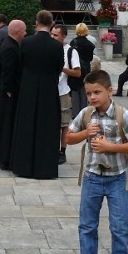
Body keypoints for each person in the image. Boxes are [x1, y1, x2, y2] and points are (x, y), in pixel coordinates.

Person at [66, 69, 128, 254]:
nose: (92, 98)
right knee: (87, 224)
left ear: (110, 91)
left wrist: (110, 147)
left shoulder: (122, 115)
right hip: (92, 177)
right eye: (89, 93)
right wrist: (85, 134)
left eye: (97, 92)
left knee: (120, 225)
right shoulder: (86, 114)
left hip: (116, 178)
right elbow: (68, 138)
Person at [11, 10, 66, 180]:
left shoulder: (26, 43)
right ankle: (45, 167)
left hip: (28, 88)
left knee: (26, 126)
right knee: (47, 127)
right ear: (51, 24)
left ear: (36, 23)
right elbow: (59, 68)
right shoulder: (57, 46)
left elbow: (20, 64)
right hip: (49, 90)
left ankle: (24, 166)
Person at [0, 20, 25, 170]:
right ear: (17, 32)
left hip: (4, 92)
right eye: (24, 31)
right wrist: (10, 89)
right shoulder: (10, 47)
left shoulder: (8, 44)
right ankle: (4, 158)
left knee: (5, 124)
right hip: (7, 94)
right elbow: (8, 71)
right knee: (6, 125)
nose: (25, 33)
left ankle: (4, 156)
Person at [51, 24, 75, 164]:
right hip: (49, 91)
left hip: (63, 91)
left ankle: (62, 151)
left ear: (63, 36)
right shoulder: (48, 48)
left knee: (64, 124)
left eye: (55, 35)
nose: (53, 37)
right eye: (51, 34)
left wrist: (62, 69)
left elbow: (77, 72)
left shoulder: (70, 51)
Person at [69, 23, 95, 117]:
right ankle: (84, 114)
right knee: (84, 92)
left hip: (76, 68)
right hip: (86, 69)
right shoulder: (90, 45)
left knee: (75, 92)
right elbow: (90, 58)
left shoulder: (73, 42)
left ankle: (75, 113)